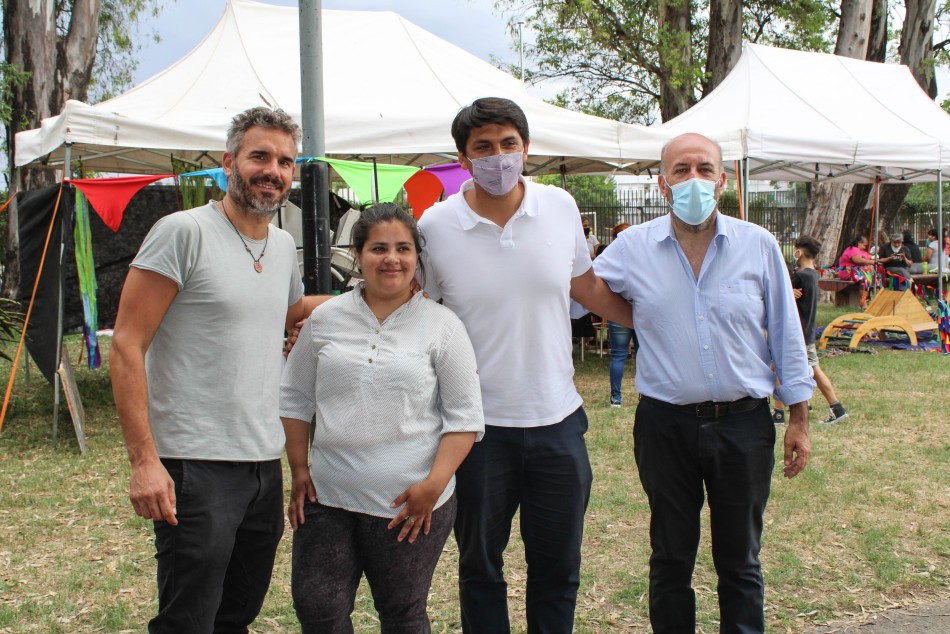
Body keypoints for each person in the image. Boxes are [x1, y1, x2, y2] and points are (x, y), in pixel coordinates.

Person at [417, 97, 632, 633]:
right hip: (474, 432)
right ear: (463, 158)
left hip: (558, 422)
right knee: (480, 568)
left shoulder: (559, 206)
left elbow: (585, 286)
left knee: (558, 569)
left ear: (526, 148)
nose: (498, 157)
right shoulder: (436, 225)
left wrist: (659, 321)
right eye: (483, 148)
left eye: (508, 144)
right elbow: (408, 306)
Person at [110, 107, 328, 633]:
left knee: (238, 613)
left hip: (260, 460)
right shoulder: (182, 232)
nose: (272, 170)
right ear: (229, 162)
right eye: (259, 156)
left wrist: (376, 298)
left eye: (284, 160)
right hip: (194, 462)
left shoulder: (279, 247)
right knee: (190, 618)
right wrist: (144, 461)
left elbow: (290, 312)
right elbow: (126, 344)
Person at [588, 132, 814, 633]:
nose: (694, 179)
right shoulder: (633, 247)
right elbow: (581, 291)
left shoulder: (757, 245)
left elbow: (786, 332)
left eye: (704, 169)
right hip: (665, 426)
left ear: (723, 179)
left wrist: (799, 417)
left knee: (740, 560)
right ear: (663, 182)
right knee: (670, 557)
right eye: (681, 170)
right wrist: (632, 314)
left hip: (744, 425)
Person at [280, 204, 484, 632]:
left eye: (403, 249)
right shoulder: (325, 319)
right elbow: (295, 398)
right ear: (358, 255)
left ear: (416, 258)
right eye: (378, 248)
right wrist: (299, 468)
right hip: (327, 496)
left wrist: (433, 485)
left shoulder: (443, 326)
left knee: (402, 614)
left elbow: (464, 419)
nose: (391, 258)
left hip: (410, 503)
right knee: (318, 612)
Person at [773, 236, 848, 425]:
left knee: (791, 369)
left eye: (795, 249)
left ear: (799, 252)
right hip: (805, 331)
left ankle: (780, 412)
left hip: (796, 333)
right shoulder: (812, 274)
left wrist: (788, 291)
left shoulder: (798, 276)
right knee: (783, 367)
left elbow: (778, 296)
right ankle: (798, 405)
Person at [607, 222, 638, 408]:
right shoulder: (644, 255)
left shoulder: (611, 257)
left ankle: (616, 399)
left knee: (618, 355)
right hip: (641, 309)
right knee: (643, 355)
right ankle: (646, 396)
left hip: (618, 310)